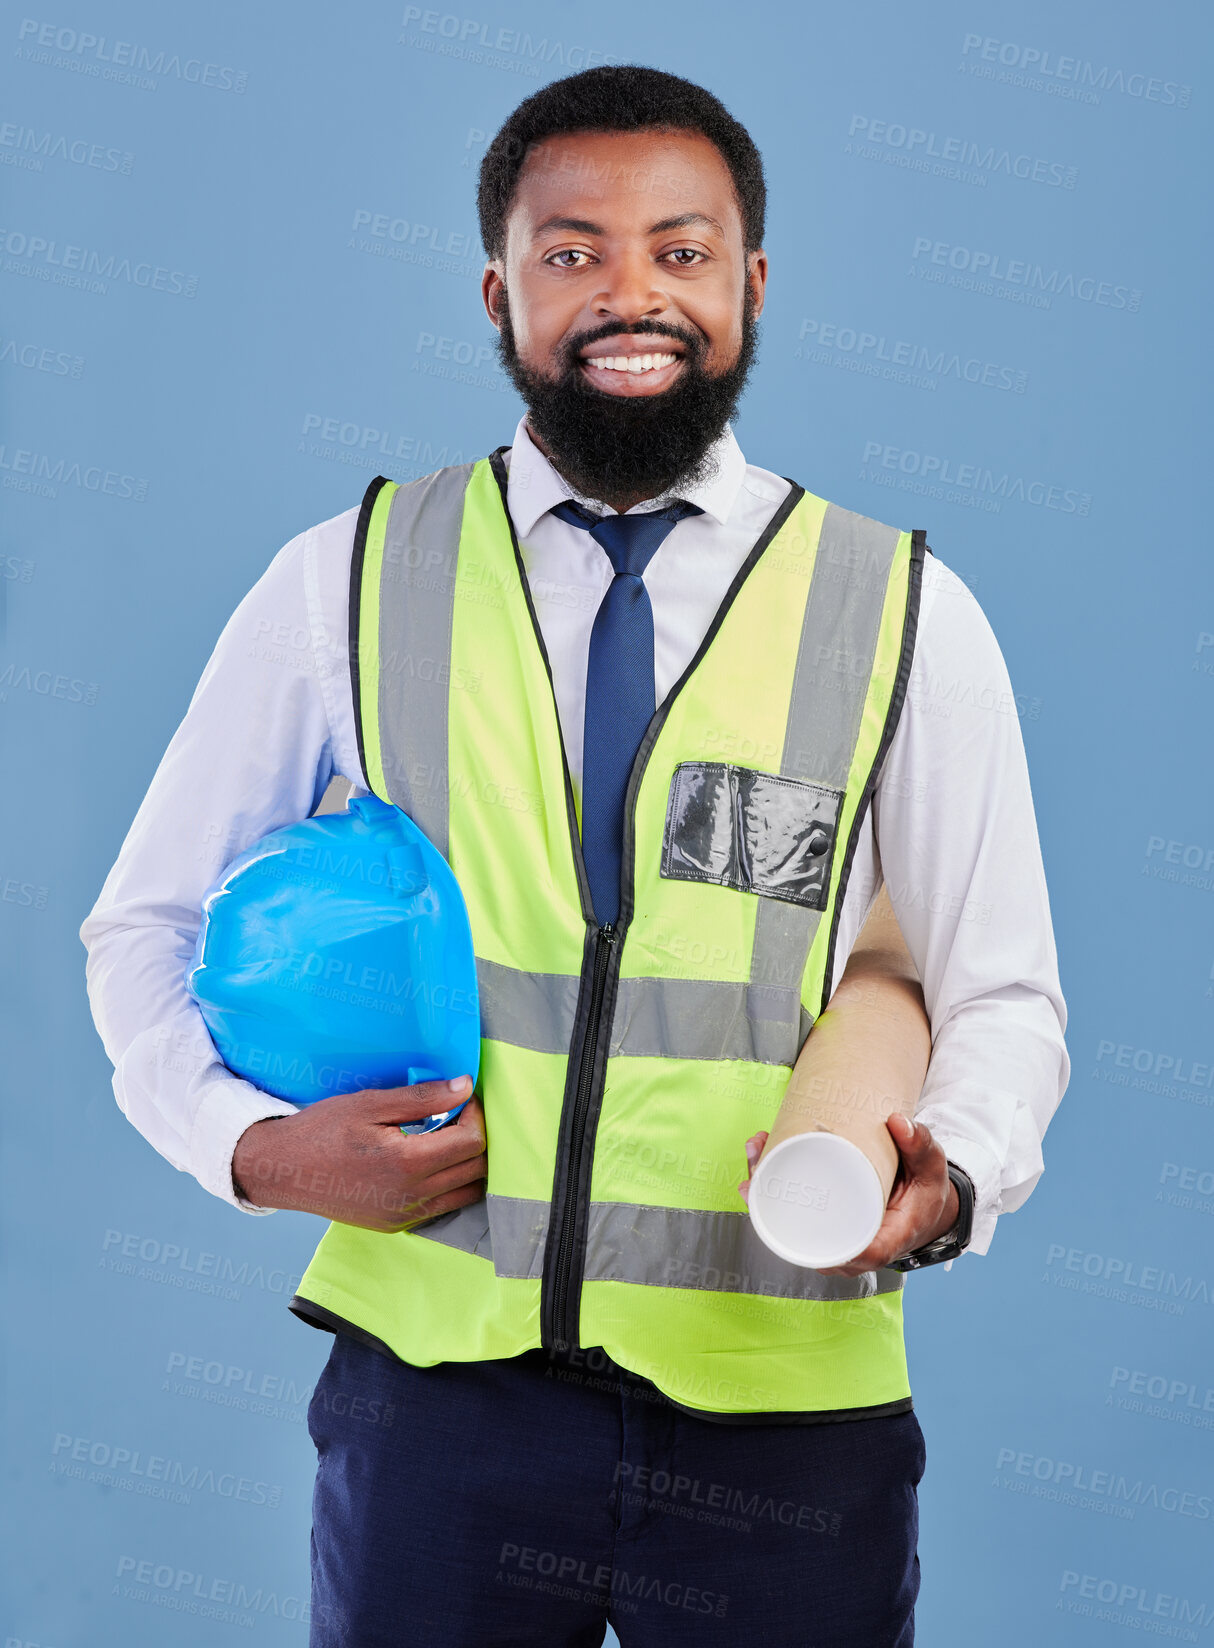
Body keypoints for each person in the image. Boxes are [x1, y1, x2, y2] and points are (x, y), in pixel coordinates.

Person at [80, 64, 1069, 1647]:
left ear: (748, 285)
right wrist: (251, 1151)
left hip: (786, 1409)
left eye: (680, 253)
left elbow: (1000, 989)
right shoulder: (342, 575)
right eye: (571, 251)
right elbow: (141, 926)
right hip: (435, 1405)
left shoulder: (897, 608)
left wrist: (950, 1177)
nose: (630, 294)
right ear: (499, 290)